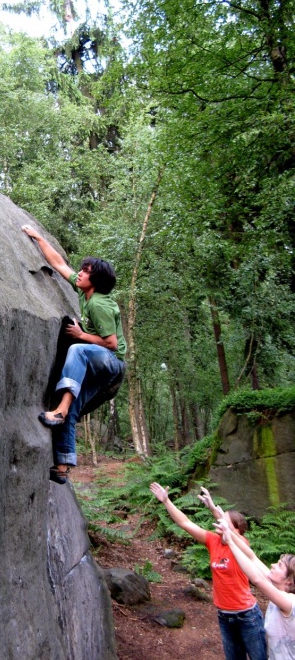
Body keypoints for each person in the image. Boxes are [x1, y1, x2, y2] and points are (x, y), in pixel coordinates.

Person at [21, 224, 126, 484]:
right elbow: (58, 264)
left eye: (86, 272)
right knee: (72, 403)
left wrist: (81, 336)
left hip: (110, 362)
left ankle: (60, 410)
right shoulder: (84, 292)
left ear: (96, 280)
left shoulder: (100, 303)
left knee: (77, 350)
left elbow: (111, 343)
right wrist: (38, 238)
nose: (79, 273)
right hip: (99, 362)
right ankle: (63, 466)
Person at [150, 482, 268, 660]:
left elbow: (237, 541)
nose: (219, 522)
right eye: (219, 519)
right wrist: (166, 502)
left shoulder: (242, 545)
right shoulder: (213, 541)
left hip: (247, 616)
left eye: (224, 520)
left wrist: (215, 510)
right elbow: (185, 523)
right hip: (224, 616)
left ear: (237, 529)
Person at [217, 518, 295, 660]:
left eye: (279, 566)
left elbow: (257, 579)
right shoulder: (276, 589)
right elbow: (251, 557)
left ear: (289, 581)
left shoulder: (289, 602)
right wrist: (229, 531)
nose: (272, 565)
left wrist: (229, 543)